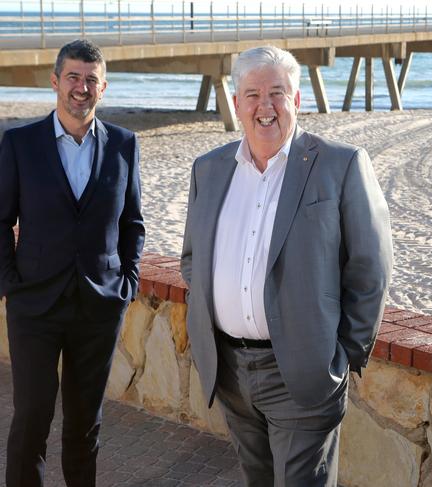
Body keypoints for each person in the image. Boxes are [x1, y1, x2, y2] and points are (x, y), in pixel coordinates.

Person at [180, 45, 392, 487]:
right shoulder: (208, 169)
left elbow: (370, 270)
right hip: (230, 371)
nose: (265, 106)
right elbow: (192, 261)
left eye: (278, 93)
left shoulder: (340, 164)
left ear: (297, 100)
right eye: (253, 94)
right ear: (236, 103)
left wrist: (341, 355)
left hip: (303, 372)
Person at [0, 39, 145, 486]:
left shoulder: (124, 144)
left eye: (91, 80)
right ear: (55, 82)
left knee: (85, 422)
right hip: (35, 307)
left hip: (98, 306)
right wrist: (11, 284)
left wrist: (127, 284)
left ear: (103, 88)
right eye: (73, 78)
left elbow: (132, 223)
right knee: (32, 417)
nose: (81, 88)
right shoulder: (19, 143)